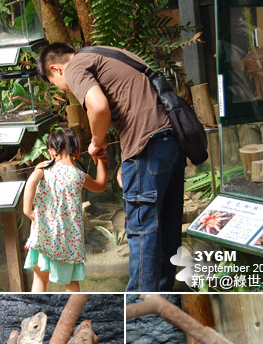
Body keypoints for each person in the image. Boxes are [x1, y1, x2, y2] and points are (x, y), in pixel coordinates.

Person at [37, 43, 187, 292]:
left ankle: (139, 307)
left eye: (54, 83)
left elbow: (98, 106)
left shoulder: (75, 66)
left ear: (56, 69)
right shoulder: (105, 53)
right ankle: (162, 298)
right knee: (167, 225)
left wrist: (96, 141)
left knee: (142, 231)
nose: (62, 89)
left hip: (146, 145)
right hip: (171, 140)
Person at [23, 128, 107, 292]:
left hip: (45, 234)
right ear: (77, 151)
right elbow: (101, 185)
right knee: (72, 282)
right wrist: (100, 160)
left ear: (52, 151)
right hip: (70, 239)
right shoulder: (79, 175)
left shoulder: (45, 167)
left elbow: (31, 181)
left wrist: (28, 212)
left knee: (40, 278)